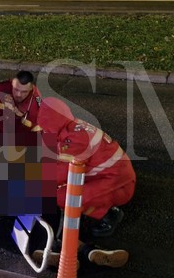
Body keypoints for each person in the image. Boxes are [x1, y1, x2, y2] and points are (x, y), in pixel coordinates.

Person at [35, 97, 136, 267]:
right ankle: (84, 248)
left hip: (115, 185)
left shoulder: (74, 140)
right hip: (111, 178)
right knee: (58, 194)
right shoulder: (69, 126)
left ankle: (104, 217)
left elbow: (61, 173)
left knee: (63, 197)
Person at [0, 70, 42, 142]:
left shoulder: (36, 105)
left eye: (24, 92)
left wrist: (19, 115)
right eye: (16, 89)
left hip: (22, 135)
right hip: (1, 128)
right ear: (12, 82)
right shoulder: (3, 87)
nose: (18, 94)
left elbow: (34, 132)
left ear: (31, 88)